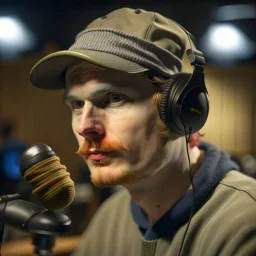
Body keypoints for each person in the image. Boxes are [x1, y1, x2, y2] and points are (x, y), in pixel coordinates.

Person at [29, 7, 256, 256]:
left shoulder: (245, 223)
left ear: (181, 109)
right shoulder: (111, 215)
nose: (85, 127)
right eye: (77, 104)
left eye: (114, 98)